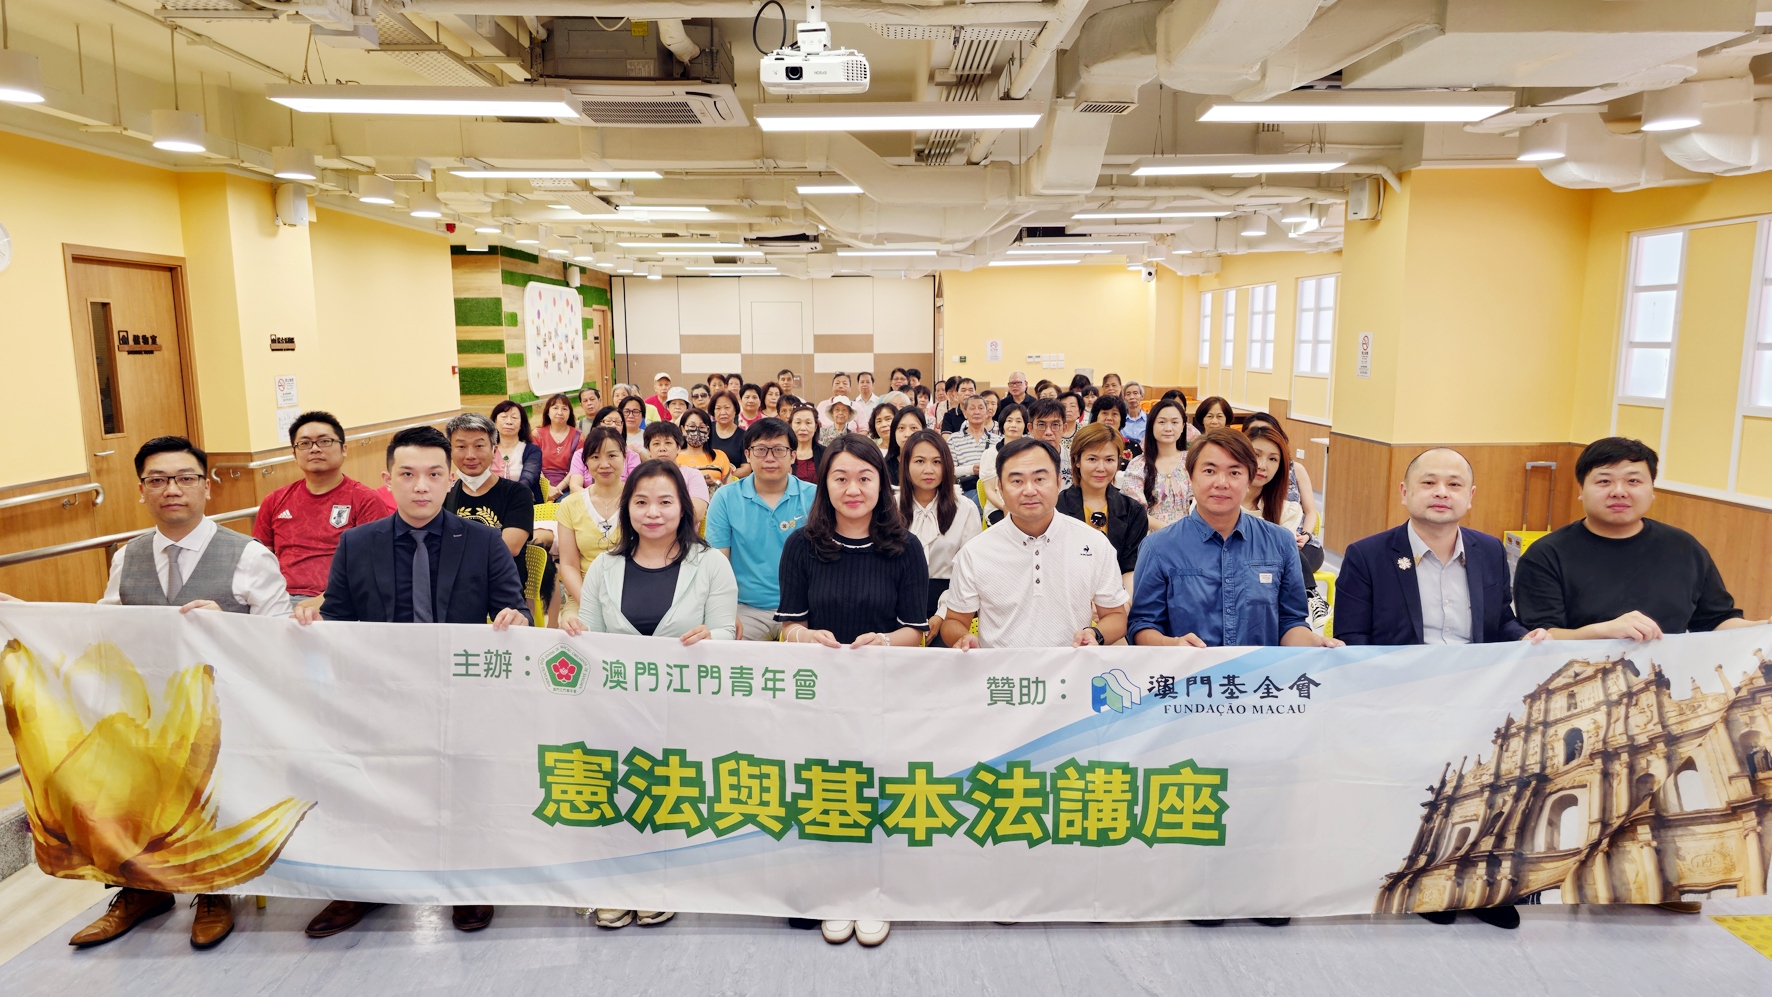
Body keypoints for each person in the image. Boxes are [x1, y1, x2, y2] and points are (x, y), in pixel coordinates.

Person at [297, 426, 525, 939]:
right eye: (408, 474)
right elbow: (339, 620)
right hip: (380, 693)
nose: (421, 486)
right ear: (388, 480)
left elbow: (515, 607)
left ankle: (468, 882)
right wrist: (314, 622)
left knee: (464, 788)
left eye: (433, 474)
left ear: (449, 479)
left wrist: (515, 618)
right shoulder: (357, 543)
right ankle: (365, 886)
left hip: (460, 692)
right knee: (369, 788)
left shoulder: (483, 540)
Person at [68, 436, 293, 951]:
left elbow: (281, 641)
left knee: (210, 773)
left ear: (206, 487)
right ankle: (140, 889)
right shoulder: (127, 557)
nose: (172, 489)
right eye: (158, 480)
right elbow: (107, 627)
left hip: (228, 710)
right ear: (141, 490)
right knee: (114, 771)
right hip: (148, 708)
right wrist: (28, 616)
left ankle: (214, 890)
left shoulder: (248, 555)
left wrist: (229, 626)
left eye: (185, 478)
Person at [1515, 437, 1766, 641]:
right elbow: (1541, 637)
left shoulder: (1683, 547)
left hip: (1667, 678)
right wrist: (1604, 631)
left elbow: (1716, 621)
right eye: (1604, 481)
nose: (1619, 492)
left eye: (1633, 481)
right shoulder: (1546, 554)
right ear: (1581, 489)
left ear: (1652, 489)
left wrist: (1763, 627)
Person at [1128, 429, 1341, 654]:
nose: (1221, 483)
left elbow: (1290, 622)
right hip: (1190, 672)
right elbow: (1142, 625)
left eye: (1234, 472)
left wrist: (1313, 641)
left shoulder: (1280, 542)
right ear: (1190, 477)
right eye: (1209, 471)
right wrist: (1172, 644)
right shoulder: (1159, 547)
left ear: (1249, 480)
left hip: (1258, 672)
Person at [941, 436, 1129, 650]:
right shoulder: (975, 551)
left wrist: (1095, 634)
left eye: (1040, 479)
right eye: (1017, 481)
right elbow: (954, 621)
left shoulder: (1094, 543)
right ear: (1000, 487)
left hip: (1070, 667)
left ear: (1058, 482)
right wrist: (962, 637)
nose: (1029, 490)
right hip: (1002, 669)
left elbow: (1115, 616)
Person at [253, 411, 389, 603]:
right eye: (305, 443)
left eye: (324, 441)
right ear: (294, 454)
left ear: (344, 449)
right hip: (280, 598)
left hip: (340, 601)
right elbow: (260, 560)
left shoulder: (365, 500)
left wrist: (327, 600)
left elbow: (375, 566)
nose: (315, 449)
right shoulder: (275, 500)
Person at [705, 417, 818, 641]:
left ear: (793, 456)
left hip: (804, 607)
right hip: (746, 609)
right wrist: (725, 611)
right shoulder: (725, 498)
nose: (770, 458)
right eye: (761, 450)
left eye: (779, 450)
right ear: (747, 454)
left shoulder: (814, 497)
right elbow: (718, 563)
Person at [899, 429, 984, 625]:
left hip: (952, 606)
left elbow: (968, 573)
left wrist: (942, 615)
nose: (929, 469)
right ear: (906, 464)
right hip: (898, 604)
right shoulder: (891, 508)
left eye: (937, 462)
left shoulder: (965, 509)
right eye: (920, 461)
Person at [442, 413, 535, 587]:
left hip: (501, 588)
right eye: (461, 446)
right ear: (450, 452)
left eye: (479, 446)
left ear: (494, 450)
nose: (470, 455)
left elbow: (509, 548)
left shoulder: (517, 493)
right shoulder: (444, 493)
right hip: (455, 589)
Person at [1057, 423, 1149, 593]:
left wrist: (1124, 603)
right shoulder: (1056, 508)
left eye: (1109, 460)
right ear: (1077, 460)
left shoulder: (1133, 512)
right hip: (1066, 595)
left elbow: (1129, 569)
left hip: (1115, 596)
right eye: (1092, 459)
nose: (1101, 468)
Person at [555, 427, 626, 621]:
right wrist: (589, 605)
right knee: (573, 631)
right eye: (595, 457)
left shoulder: (640, 500)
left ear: (624, 457)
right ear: (585, 461)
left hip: (632, 595)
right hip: (584, 595)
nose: (604, 464)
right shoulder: (570, 505)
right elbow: (569, 565)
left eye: (612, 455)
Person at [1125, 399, 1192, 530]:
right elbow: (1135, 511)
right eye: (1162, 422)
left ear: (1183, 426)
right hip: (1153, 535)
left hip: (1190, 532)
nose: (1168, 428)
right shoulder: (1138, 465)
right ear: (1151, 425)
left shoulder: (1191, 461)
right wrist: (1172, 533)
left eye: (1175, 422)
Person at [642, 420, 710, 526]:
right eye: (656, 443)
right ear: (648, 450)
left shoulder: (693, 475)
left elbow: (696, 514)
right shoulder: (640, 476)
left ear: (678, 448)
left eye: (668, 443)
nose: (662, 449)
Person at [566, 406, 642, 492]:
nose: (613, 425)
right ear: (597, 424)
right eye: (608, 421)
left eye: (618, 422)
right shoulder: (580, 454)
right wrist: (593, 498)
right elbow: (575, 486)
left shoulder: (632, 455)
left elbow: (635, 486)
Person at [945, 392, 999, 505]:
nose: (977, 412)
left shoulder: (997, 440)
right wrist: (971, 469)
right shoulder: (954, 439)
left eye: (981, 408)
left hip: (992, 489)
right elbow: (948, 470)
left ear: (987, 412)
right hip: (964, 491)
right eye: (972, 408)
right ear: (965, 413)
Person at [980, 402, 1026, 524]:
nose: (1013, 425)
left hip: (1025, 505)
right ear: (1002, 424)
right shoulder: (990, 454)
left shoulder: (1031, 453)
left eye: (1019, 421)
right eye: (1009, 420)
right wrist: (1005, 507)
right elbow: (989, 490)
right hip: (998, 508)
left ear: (1025, 425)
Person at [491, 399, 545, 503]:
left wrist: (508, 498)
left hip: (523, 502)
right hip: (491, 502)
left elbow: (528, 478)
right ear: (495, 421)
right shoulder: (487, 449)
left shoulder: (532, 451)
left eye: (514, 418)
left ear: (521, 424)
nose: (509, 422)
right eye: (504, 417)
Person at [534, 393, 581, 499]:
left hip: (567, 486)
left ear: (569, 413)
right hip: (539, 483)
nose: (560, 412)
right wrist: (547, 488)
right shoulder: (537, 434)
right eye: (555, 408)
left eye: (564, 409)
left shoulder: (578, 436)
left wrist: (558, 489)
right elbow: (533, 464)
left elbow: (578, 467)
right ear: (548, 412)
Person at [678, 408, 733, 490]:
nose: (697, 431)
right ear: (682, 429)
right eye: (692, 426)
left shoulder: (720, 456)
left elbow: (730, 490)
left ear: (708, 431)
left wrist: (714, 483)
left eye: (702, 427)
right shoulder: (674, 456)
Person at [1026, 398, 1073, 488]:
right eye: (1041, 425)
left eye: (1055, 425)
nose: (1048, 432)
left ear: (1064, 428)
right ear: (1030, 428)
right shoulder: (1021, 460)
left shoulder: (1074, 460)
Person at [707, 391, 751, 478]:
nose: (723, 412)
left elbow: (746, 469)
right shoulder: (706, 430)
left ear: (735, 409)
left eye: (727, 407)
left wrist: (723, 476)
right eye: (718, 408)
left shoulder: (744, 436)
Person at [884, 406, 929, 489]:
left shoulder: (931, 463)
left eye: (913, 428)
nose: (907, 434)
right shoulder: (885, 467)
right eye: (901, 428)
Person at [1090, 396, 1142, 468]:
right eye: (1104, 413)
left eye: (1114, 414)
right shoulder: (1087, 443)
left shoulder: (1133, 446)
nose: (1109, 418)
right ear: (1096, 417)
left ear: (1121, 419)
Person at [787, 404, 825, 483]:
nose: (803, 428)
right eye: (798, 422)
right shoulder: (783, 453)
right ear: (791, 426)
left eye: (808, 423)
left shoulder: (825, 454)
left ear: (815, 427)